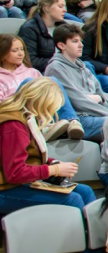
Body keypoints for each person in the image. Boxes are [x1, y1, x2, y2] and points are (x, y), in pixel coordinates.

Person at [0, 77, 96, 214]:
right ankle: (80, 234)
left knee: (85, 191)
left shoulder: (23, 117)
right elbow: (15, 173)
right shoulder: (14, 125)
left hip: (12, 184)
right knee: (72, 200)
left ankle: (95, 232)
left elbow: (27, 155)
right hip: (5, 188)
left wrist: (52, 163)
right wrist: (54, 170)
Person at [44, 25, 108, 140]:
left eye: (80, 41)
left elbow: (102, 97)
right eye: (75, 41)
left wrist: (99, 100)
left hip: (94, 115)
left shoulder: (84, 68)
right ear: (61, 45)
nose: (81, 45)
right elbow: (75, 101)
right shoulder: (56, 68)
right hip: (77, 120)